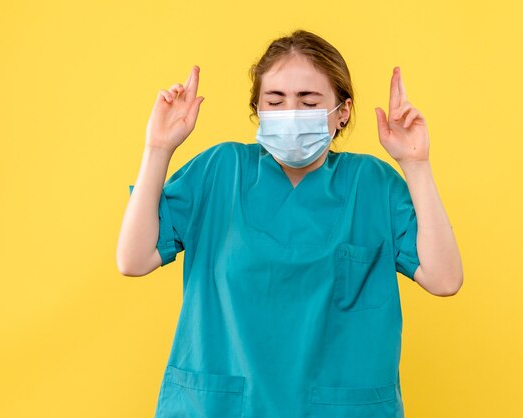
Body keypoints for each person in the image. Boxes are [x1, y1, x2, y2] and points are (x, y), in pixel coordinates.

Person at [117, 29, 463, 418]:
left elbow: (444, 278)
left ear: (342, 111)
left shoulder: (372, 183)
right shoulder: (220, 172)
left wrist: (416, 166)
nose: (290, 114)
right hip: (220, 406)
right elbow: (133, 259)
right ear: (258, 110)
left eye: (308, 101)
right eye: (275, 100)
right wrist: (158, 148)